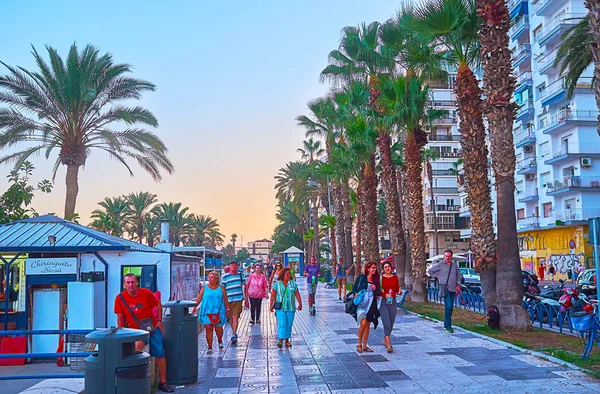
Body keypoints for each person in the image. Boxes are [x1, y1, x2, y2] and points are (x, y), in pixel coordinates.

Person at [114, 274, 174, 393]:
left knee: (160, 352)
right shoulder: (120, 298)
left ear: (137, 283)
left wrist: (159, 321)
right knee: (136, 351)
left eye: (132, 282)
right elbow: (120, 317)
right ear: (124, 284)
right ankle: (134, 381)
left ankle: (163, 381)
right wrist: (121, 332)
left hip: (151, 327)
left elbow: (157, 304)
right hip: (135, 331)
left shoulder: (145, 293)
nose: (130, 285)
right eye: (128, 283)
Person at [192, 271, 228, 354]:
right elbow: (199, 297)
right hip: (207, 310)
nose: (209, 279)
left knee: (218, 328)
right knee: (208, 327)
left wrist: (227, 309)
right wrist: (194, 307)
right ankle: (210, 347)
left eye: (211, 277)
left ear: (216, 279)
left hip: (218, 310)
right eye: (209, 277)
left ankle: (219, 340)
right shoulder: (204, 287)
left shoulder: (221, 288)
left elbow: (225, 299)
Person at [427, 250, 461, 333]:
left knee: (450, 307)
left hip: (453, 288)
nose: (447, 258)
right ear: (444, 256)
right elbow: (430, 271)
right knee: (448, 306)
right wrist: (437, 276)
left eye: (449, 256)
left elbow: (458, 275)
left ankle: (446, 324)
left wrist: (458, 285)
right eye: (446, 256)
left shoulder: (454, 265)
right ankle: (448, 326)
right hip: (445, 288)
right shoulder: (440, 264)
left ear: (451, 256)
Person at [269, 267, 302, 348]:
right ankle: (280, 340)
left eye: (289, 274)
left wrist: (300, 303)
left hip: (291, 307)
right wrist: (271, 305)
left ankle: (287, 340)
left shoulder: (293, 284)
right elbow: (273, 295)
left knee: (289, 324)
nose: (289, 275)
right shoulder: (277, 284)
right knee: (282, 323)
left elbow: (297, 294)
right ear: (283, 275)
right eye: (287, 274)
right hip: (280, 308)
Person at [353, 262, 381, 353]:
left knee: (368, 325)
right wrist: (355, 293)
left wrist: (375, 289)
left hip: (371, 305)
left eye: (375, 268)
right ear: (368, 269)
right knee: (363, 323)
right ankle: (359, 343)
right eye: (372, 268)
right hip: (361, 305)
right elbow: (354, 288)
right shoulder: (362, 277)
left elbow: (378, 293)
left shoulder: (376, 279)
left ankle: (365, 345)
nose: (374, 269)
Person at [380, 261, 401, 353]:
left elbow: (397, 289)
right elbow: (378, 291)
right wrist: (385, 294)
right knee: (386, 323)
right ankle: (389, 345)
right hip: (383, 302)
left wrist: (399, 291)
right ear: (383, 269)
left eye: (388, 267)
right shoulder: (381, 279)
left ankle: (385, 338)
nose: (387, 268)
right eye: (385, 267)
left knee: (391, 323)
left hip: (392, 302)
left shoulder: (395, 277)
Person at [222, 261, 245, 344]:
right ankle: (233, 332)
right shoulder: (224, 277)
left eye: (235, 265)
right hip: (228, 300)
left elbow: (244, 287)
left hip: (238, 299)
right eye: (232, 265)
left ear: (237, 266)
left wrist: (246, 300)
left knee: (235, 317)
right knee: (231, 318)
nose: (233, 267)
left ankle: (234, 334)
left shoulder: (240, 275)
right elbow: (223, 290)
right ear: (229, 267)